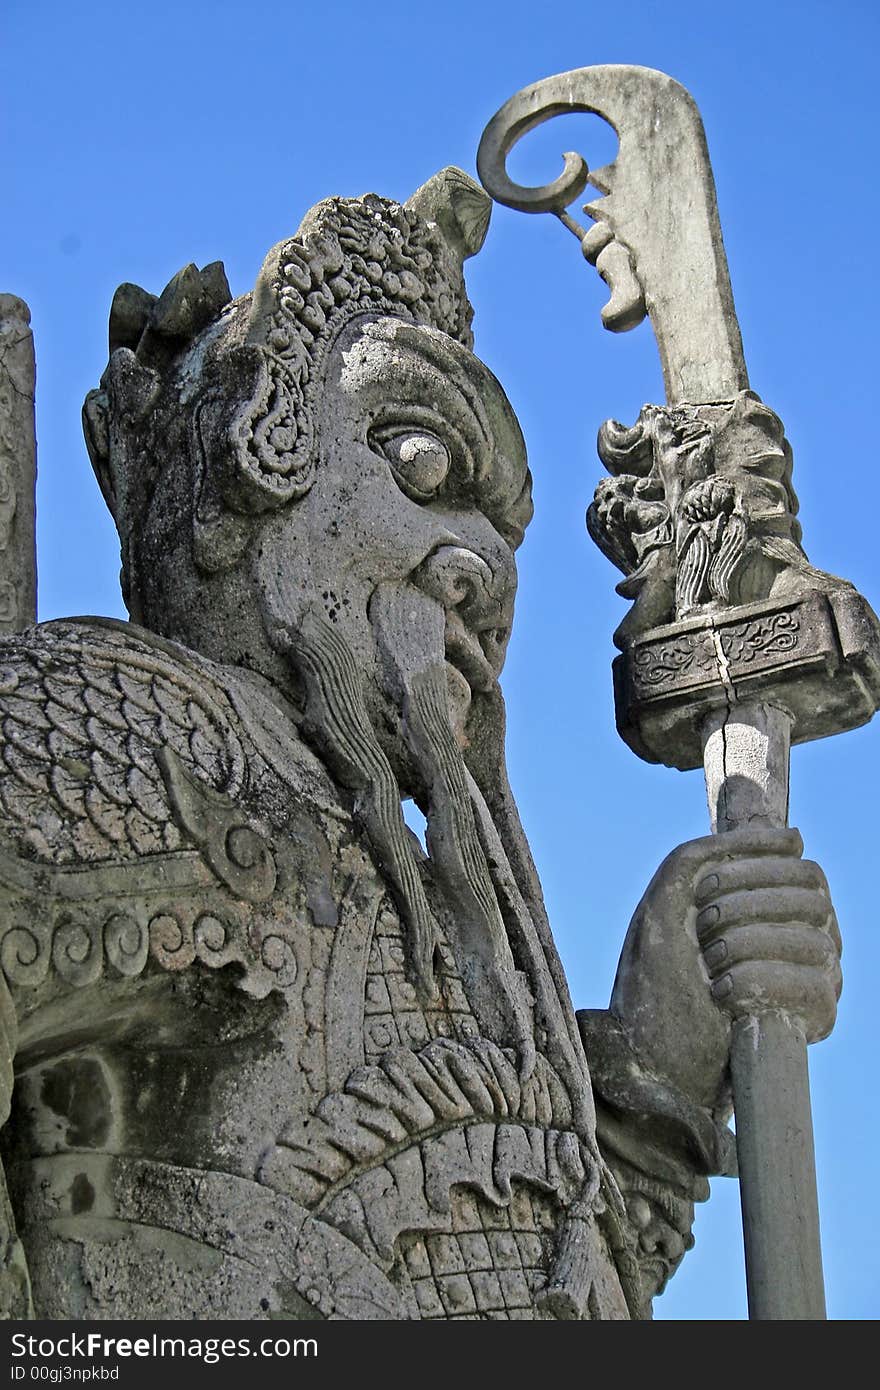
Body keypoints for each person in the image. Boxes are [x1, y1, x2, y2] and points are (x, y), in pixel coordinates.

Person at [0, 169, 840, 1320]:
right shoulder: (160, 741)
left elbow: (550, 1291)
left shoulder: (460, 932)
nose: (481, 567)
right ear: (265, 452)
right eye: (422, 467)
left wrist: (661, 1064)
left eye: (504, 529)